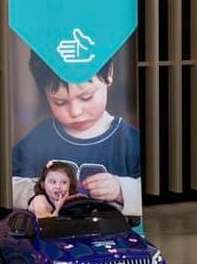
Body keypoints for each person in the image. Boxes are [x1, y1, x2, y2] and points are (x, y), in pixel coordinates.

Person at [12, 52, 142, 216]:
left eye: (86, 97)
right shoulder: (40, 139)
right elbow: (9, 183)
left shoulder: (128, 140)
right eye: (60, 102)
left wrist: (121, 190)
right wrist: (35, 196)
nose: (75, 111)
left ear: (109, 73)